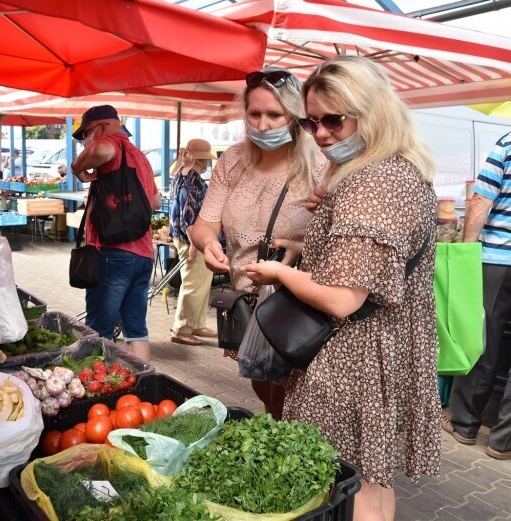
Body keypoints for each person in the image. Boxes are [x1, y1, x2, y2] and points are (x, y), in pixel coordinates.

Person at [245, 56, 441, 521]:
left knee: (348, 482)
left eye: (334, 118)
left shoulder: (374, 182)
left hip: (353, 356)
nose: (321, 132)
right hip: (378, 349)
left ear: (373, 113)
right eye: (312, 121)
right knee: (370, 478)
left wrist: (280, 274)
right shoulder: (392, 170)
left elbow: (341, 297)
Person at [190, 67, 322, 420]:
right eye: (255, 113)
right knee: (262, 383)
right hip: (246, 302)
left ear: (295, 117)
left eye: (274, 114)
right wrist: (207, 245)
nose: (262, 125)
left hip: (297, 305)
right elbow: (203, 223)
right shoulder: (232, 160)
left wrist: (299, 250)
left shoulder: (321, 166)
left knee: (293, 391)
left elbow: (340, 238)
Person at [70, 105, 161, 363]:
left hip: (114, 255)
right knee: (136, 331)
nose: (87, 141)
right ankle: (140, 383)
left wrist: (78, 168)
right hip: (143, 255)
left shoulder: (112, 143)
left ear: (100, 127)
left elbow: (100, 149)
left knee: (100, 329)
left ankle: (103, 389)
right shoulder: (140, 157)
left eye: (87, 134)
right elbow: (155, 202)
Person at [444, 131, 511, 460]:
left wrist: (468, 251)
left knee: (481, 339)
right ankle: (504, 441)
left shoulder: (508, 142)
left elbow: (482, 199)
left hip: (497, 260)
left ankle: (465, 423)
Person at [169, 139, 217, 346]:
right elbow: (187, 215)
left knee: (201, 283)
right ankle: (181, 329)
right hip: (192, 241)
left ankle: (197, 323)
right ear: (201, 159)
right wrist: (194, 245)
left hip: (190, 239)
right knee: (193, 285)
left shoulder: (180, 174)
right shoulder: (193, 180)